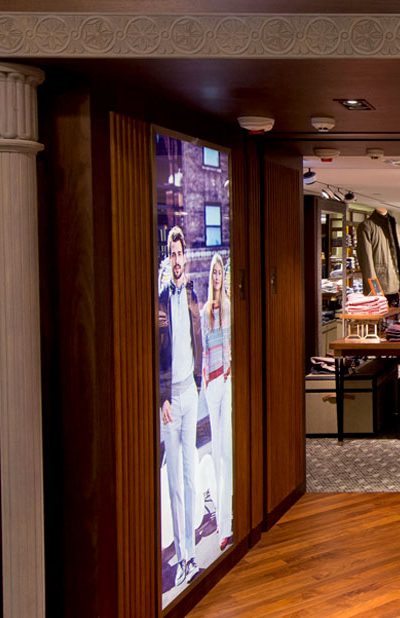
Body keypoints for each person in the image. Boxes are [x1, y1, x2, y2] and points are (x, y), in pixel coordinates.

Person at [158, 226, 203, 586]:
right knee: (174, 482)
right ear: (168, 257)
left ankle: (190, 555)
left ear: (185, 256)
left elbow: (196, 337)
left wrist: (199, 381)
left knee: (190, 477)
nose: (177, 259)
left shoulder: (191, 293)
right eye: (172, 254)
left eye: (180, 253)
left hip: (190, 391)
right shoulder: (160, 299)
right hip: (170, 399)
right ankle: (182, 556)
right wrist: (161, 397)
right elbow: (156, 351)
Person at [200, 252, 233, 553]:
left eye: (220, 272)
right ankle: (225, 522)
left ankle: (226, 523)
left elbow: (231, 345)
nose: (217, 277)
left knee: (226, 452)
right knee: (217, 449)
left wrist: (228, 371)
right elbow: (203, 351)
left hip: (226, 379)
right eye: (214, 272)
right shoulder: (205, 312)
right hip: (212, 384)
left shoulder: (229, 308)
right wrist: (206, 382)